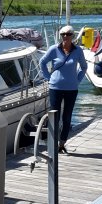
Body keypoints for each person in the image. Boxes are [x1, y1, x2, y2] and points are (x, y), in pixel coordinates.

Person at [39, 25, 87, 154]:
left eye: (68, 34)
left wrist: (78, 80)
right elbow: (42, 62)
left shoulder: (78, 51)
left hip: (72, 88)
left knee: (67, 117)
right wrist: (48, 77)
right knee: (54, 116)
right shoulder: (54, 49)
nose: (65, 36)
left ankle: (62, 142)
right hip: (55, 87)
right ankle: (53, 143)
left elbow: (84, 67)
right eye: (63, 34)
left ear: (72, 35)